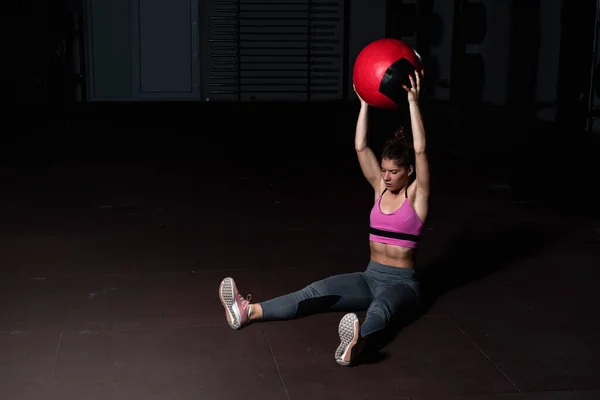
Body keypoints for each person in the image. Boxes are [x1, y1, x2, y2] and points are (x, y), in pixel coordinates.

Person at [218, 70, 430, 367]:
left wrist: (412, 103)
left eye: (393, 172)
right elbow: (360, 147)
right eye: (383, 169)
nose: (386, 176)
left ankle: (356, 344)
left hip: (403, 286)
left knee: (381, 308)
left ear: (409, 172)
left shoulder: (417, 196)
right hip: (370, 276)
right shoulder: (380, 189)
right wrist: (365, 104)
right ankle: (248, 312)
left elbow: (420, 149)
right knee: (316, 291)